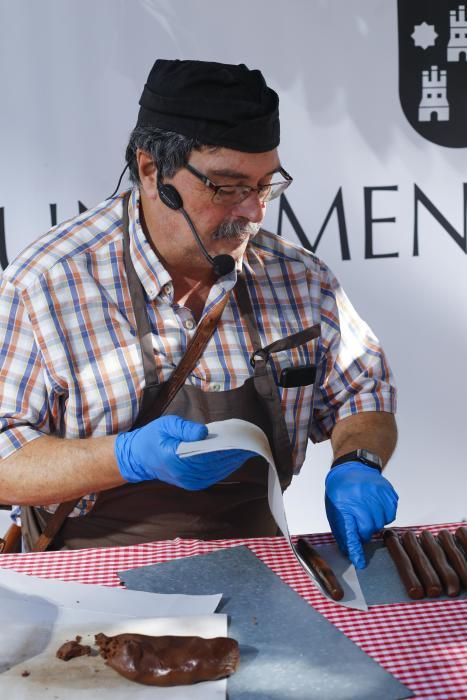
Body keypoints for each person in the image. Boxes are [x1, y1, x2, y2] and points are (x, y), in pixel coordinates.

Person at [0, 59, 398, 565]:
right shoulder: (47, 284)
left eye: (263, 186)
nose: (253, 210)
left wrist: (358, 461)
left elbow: (364, 391)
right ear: (151, 172)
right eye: (227, 187)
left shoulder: (297, 277)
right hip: (90, 579)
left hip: (258, 566)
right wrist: (125, 458)